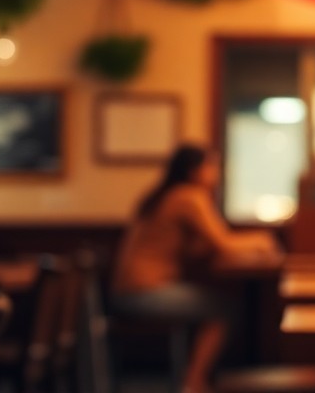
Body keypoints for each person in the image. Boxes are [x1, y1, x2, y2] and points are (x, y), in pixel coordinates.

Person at [112, 145, 278, 392]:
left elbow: (197, 247)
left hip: (127, 290)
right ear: (194, 171)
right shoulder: (188, 197)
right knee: (225, 309)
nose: (217, 172)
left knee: (220, 305)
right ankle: (194, 382)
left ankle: (194, 379)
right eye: (211, 166)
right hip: (143, 292)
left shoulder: (166, 194)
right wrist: (262, 239)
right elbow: (224, 243)